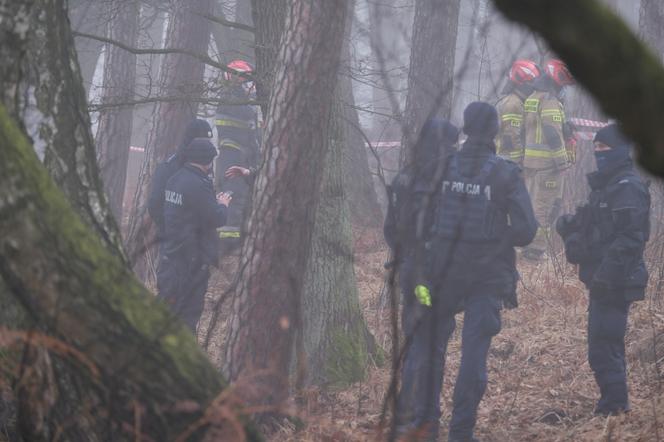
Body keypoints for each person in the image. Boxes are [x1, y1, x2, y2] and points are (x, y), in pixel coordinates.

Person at [395, 102, 537, 442]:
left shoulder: (442, 167)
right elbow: (526, 230)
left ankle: (425, 426)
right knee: (474, 354)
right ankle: (462, 432)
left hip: (440, 274)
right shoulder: (505, 172)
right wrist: (497, 237)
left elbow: (420, 221)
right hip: (487, 278)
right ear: (495, 131)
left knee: (429, 348)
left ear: (466, 127)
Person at [556, 124, 650, 416]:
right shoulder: (608, 187)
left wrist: (607, 277)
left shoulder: (627, 188)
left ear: (620, 151)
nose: (599, 154)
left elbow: (630, 239)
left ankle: (614, 407)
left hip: (616, 282)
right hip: (603, 280)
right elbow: (599, 230)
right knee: (603, 344)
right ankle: (613, 403)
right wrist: (570, 228)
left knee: (603, 346)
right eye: (596, 149)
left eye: (604, 149)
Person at [157, 138, 232, 333]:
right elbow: (216, 218)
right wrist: (223, 204)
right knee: (187, 320)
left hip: (169, 259)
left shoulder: (174, 179)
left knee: (165, 316)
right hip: (191, 265)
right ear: (208, 161)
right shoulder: (198, 184)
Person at [521, 59, 576, 261]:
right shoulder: (551, 101)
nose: (564, 89)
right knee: (546, 210)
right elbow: (552, 135)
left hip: (531, 165)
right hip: (549, 168)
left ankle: (524, 248)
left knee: (531, 207)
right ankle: (534, 254)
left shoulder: (533, 98)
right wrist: (563, 162)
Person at [215, 59, 261, 248]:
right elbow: (247, 115)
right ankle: (229, 244)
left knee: (240, 195)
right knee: (234, 195)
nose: (248, 84)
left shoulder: (237, 96)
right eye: (245, 79)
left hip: (238, 152)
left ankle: (236, 239)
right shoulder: (231, 97)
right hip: (232, 154)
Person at [147, 118, 214, 237]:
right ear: (191, 140)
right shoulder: (169, 168)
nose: (207, 145)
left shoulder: (206, 165)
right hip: (174, 240)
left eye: (208, 141)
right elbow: (155, 204)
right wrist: (171, 230)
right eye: (203, 141)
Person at [495, 59, 541, 165]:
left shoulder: (519, 101)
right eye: (532, 83)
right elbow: (511, 136)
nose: (535, 88)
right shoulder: (513, 104)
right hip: (509, 162)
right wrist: (521, 160)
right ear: (522, 83)